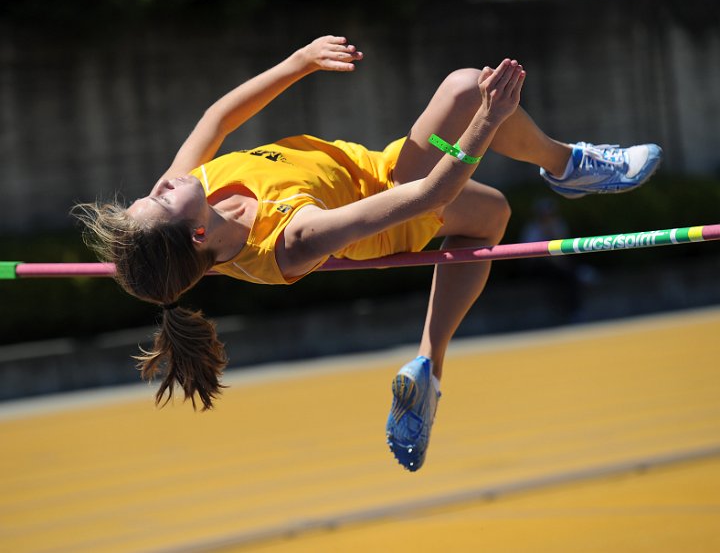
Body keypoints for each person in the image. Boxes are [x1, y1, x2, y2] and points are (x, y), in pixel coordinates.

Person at [75, 35, 662, 472]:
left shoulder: (191, 189)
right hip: (397, 204)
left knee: (491, 218)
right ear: (196, 236)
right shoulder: (288, 243)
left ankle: (428, 370)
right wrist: (486, 122)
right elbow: (427, 195)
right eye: (158, 197)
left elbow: (217, 117)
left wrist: (298, 62)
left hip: (378, 167)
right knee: (463, 92)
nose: (162, 182)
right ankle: (570, 166)